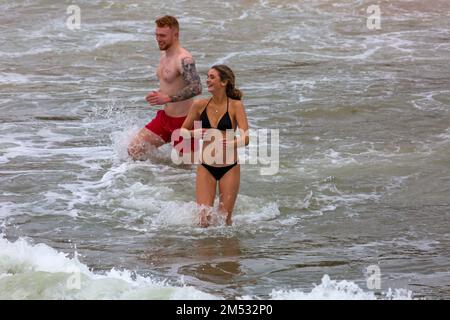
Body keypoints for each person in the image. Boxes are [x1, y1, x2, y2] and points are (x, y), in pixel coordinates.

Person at [180, 65, 249, 227]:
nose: (207, 80)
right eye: (207, 77)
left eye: (212, 77)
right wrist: (193, 134)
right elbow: (182, 131)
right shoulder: (199, 105)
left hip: (229, 167)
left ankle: (228, 250)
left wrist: (232, 143)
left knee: (225, 220)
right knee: (203, 221)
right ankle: (206, 251)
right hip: (206, 166)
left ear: (223, 82)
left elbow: (246, 137)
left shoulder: (235, 105)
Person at [128, 15, 202, 160]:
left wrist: (167, 97)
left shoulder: (184, 59)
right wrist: (159, 94)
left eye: (163, 35)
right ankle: (153, 177)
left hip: (186, 122)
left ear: (176, 35)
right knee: (134, 149)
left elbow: (197, 87)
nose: (158, 39)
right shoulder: (164, 56)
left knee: (185, 170)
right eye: (156, 35)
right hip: (165, 119)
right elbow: (172, 84)